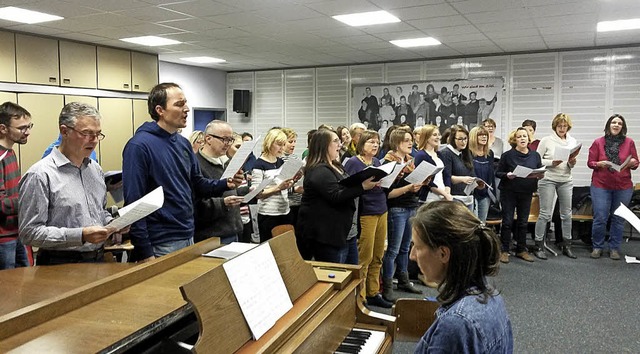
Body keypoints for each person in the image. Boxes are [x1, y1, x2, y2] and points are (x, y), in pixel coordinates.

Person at [123, 83, 243, 262]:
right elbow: (134, 202)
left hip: (188, 232)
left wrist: (225, 183)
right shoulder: (139, 146)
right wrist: (145, 251)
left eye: (185, 103)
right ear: (160, 110)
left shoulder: (182, 144)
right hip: (161, 240)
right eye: (179, 104)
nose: (186, 109)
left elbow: (197, 184)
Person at [19, 102, 127, 265]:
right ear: (64, 131)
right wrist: (80, 235)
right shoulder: (40, 174)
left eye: (98, 134)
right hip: (60, 263)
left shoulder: (94, 169)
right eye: (86, 133)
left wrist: (112, 225)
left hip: (98, 258)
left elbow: (99, 212)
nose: (95, 140)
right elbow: (29, 232)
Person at [411, 201, 513, 353]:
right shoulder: (491, 295)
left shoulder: (457, 323)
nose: (412, 256)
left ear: (443, 254)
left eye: (418, 247)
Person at [297, 128, 376, 263]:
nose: (340, 145)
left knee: (351, 275)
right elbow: (335, 195)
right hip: (328, 235)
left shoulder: (335, 165)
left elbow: (345, 184)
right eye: (335, 141)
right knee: (336, 275)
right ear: (323, 145)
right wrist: (362, 187)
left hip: (345, 231)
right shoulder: (319, 170)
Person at [344, 130, 392, 308]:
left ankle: (373, 292)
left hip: (381, 208)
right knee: (365, 255)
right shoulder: (353, 162)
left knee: (378, 254)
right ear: (362, 144)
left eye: (377, 142)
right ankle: (361, 294)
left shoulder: (378, 161)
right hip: (366, 211)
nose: (375, 145)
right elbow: (348, 186)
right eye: (371, 142)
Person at [587, 114, 639, 260]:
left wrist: (632, 163)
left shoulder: (629, 142)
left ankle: (614, 248)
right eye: (614, 122)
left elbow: (636, 162)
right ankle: (597, 247)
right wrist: (598, 164)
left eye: (619, 123)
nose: (616, 125)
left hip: (623, 186)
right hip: (601, 185)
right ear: (608, 125)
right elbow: (590, 162)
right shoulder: (598, 142)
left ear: (623, 127)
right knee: (601, 217)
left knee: (618, 218)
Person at [381, 128, 423, 301]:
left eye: (411, 139)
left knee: (406, 247)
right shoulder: (389, 162)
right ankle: (388, 285)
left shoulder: (409, 161)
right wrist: (408, 188)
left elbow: (412, 189)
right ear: (397, 143)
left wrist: (420, 184)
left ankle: (404, 280)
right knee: (393, 249)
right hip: (397, 208)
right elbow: (387, 193)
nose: (410, 142)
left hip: (410, 206)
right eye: (406, 140)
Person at [533, 114, 578, 260]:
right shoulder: (546, 140)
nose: (562, 129)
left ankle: (567, 244)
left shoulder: (572, 141)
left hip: (566, 179)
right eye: (559, 126)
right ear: (555, 126)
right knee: (545, 213)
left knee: (566, 214)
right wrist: (551, 162)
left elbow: (571, 164)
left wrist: (572, 162)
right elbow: (536, 159)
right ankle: (538, 245)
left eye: (565, 126)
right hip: (548, 178)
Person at [496, 127, 543, 264]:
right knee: (507, 221)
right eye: (519, 136)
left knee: (523, 222)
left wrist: (540, 175)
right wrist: (507, 175)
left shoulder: (535, 155)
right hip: (509, 191)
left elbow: (539, 170)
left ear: (529, 139)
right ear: (515, 139)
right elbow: (498, 173)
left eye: (525, 136)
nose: (522, 138)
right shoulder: (507, 155)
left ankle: (521, 250)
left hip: (526, 191)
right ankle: (504, 250)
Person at [194, 121, 244, 245]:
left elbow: (230, 192)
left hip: (233, 230)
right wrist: (223, 203)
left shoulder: (227, 162)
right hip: (211, 236)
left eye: (230, 140)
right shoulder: (196, 165)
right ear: (208, 139)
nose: (227, 144)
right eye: (224, 139)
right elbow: (195, 204)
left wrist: (248, 190)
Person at [0, 102, 32, 269]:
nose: (27, 132)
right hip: (4, 239)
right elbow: (1, 205)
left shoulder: (10, 152)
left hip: (17, 233)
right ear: (3, 129)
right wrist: (30, 198)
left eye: (29, 126)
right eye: (22, 128)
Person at [252, 128, 295, 242]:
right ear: (269, 143)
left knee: (286, 247)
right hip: (268, 214)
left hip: (284, 210)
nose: (282, 148)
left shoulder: (280, 161)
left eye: (283, 144)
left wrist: (292, 181)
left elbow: (284, 184)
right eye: (279, 144)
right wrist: (278, 188)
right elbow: (257, 194)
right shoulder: (259, 164)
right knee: (270, 249)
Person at [440, 125, 482, 211]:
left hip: (468, 197)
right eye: (460, 139)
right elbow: (446, 176)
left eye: (465, 138)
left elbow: (472, 173)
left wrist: (478, 183)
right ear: (452, 139)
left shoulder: (466, 152)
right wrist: (462, 179)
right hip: (454, 197)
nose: (463, 142)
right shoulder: (446, 153)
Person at [414, 125, 453, 204]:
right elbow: (427, 181)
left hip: (443, 197)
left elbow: (446, 175)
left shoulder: (439, 154)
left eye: (438, 135)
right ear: (426, 137)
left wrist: (447, 191)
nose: (438, 137)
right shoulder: (421, 155)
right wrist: (444, 194)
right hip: (429, 199)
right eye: (434, 135)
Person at [469, 126, 494, 224]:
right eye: (480, 135)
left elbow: (491, 172)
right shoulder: (468, 153)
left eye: (485, 135)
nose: (484, 137)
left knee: (482, 222)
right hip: (472, 192)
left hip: (485, 192)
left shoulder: (489, 154)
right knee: (473, 222)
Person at [280, 127, 304, 229]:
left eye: (295, 141)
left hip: (299, 201)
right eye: (290, 141)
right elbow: (277, 184)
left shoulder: (296, 158)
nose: (293, 144)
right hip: (288, 203)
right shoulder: (279, 159)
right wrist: (293, 189)